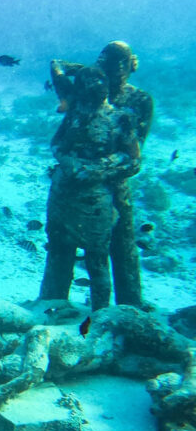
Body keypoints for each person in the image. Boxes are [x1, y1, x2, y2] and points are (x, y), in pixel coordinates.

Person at [50, 41, 153, 306]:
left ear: (131, 66)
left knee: (122, 248)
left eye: (116, 66)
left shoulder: (137, 101)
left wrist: (94, 170)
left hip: (113, 189)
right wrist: (88, 73)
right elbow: (56, 66)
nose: (107, 72)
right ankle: (51, 305)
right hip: (72, 189)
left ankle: (129, 309)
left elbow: (134, 155)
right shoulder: (81, 96)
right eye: (103, 65)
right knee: (61, 248)